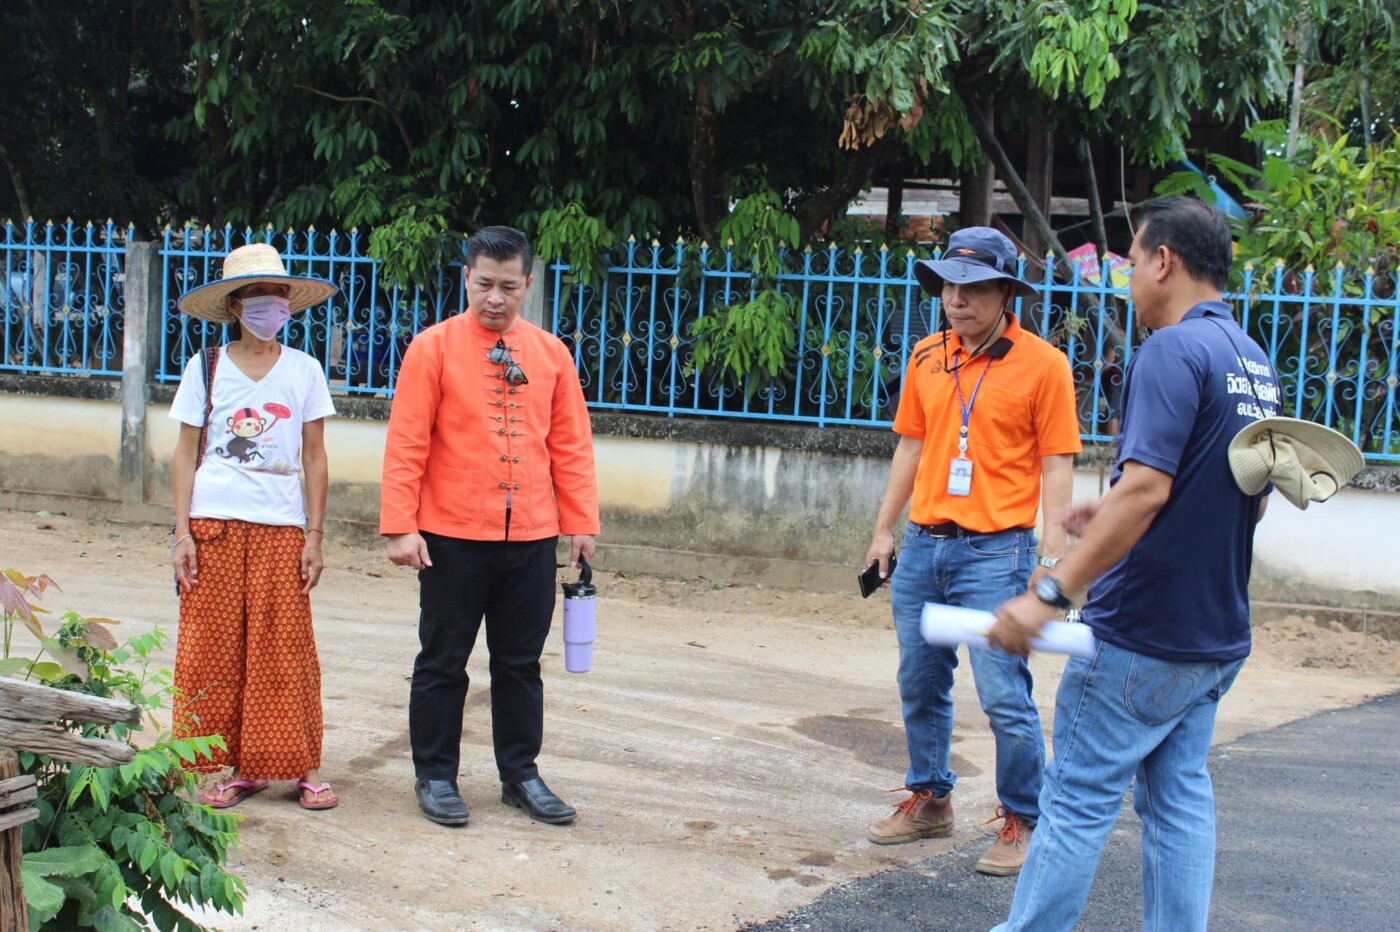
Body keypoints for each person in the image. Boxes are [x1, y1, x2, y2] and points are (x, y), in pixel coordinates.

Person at [987, 196, 1283, 931]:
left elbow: (1151, 488)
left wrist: (1051, 591)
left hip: (1141, 633)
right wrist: (1111, 507)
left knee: (1078, 799)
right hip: (1214, 636)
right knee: (1179, 798)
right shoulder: (1251, 360)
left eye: (1130, 261)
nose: (1125, 281)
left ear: (1164, 261)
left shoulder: (1172, 351)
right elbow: (1247, 495)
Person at [864, 227, 1081, 876]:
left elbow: (1058, 463)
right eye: (949, 286)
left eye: (974, 288)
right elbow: (909, 446)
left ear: (1006, 293)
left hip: (998, 556)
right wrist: (884, 530)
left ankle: (1023, 817)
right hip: (927, 548)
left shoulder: (1045, 365)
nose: (957, 300)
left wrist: (1051, 557)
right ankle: (931, 798)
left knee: (1002, 694)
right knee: (919, 682)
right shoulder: (929, 356)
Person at [380, 225, 599, 828]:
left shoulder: (552, 354)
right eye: (484, 284)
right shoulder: (432, 348)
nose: (495, 298)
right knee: (444, 659)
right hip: (449, 535)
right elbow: (406, 442)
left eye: (508, 286)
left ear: (528, 283)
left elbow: (571, 446)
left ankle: (521, 775)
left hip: (531, 536)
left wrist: (581, 521)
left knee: (520, 663)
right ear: (466, 279)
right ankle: (435, 775)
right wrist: (401, 525)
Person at [169, 243, 339, 810]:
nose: (272, 306)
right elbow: (185, 450)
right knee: (214, 650)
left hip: (281, 528)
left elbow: (315, 456)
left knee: (285, 647)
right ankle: (237, 769)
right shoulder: (205, 366)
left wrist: (315, 536)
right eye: (260, 296)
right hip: (213, 524)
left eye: (280, 295)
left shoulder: (305, 370)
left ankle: (305, 768)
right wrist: (181, 534)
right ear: (236, 305)